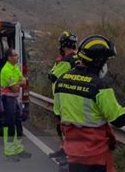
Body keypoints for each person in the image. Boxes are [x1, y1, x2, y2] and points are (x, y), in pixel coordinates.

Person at [53, 35, 125, 172]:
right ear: (98, 61)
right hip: (94, 155)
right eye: (106, 61)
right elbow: (119, 119)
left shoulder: (61, 81)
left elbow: (58, 114)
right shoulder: (99, 87)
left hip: (72, 152)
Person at [47, 31, 79, 163]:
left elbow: (52, 76)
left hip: (63, 98)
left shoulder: (67, 61)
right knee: (66, 126)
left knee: (64, 127)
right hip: (73, 98)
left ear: (62, 45)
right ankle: (64, 150)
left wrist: (55, 66)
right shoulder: (78, 57)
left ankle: (68, 154)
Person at [0, 48, 31, 162]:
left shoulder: (16, 68)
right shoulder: (6, 70)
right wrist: (19, 82)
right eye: (15, 55)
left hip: (15, 99)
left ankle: (18, 149)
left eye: (17, 55)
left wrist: (19, 82)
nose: (17, 57)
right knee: (10, 125)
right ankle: (9, 152)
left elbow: (24, 82)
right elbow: (15, 87)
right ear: (9, 58)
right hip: (7, 100)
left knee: (18, 124)